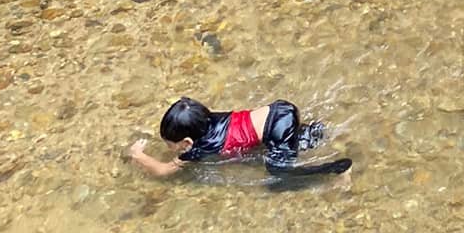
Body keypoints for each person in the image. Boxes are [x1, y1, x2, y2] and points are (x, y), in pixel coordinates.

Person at [127, 97, 351, 184]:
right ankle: (313, 134)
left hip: (278, 129)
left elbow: (163, 171)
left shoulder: (199, 148)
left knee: (278, 174)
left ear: (187, 142)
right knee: (287, 143)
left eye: (170, 144)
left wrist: (138, 155)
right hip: (280, 110)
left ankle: (337, 169)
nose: (171, 148)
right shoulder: (209, 119)